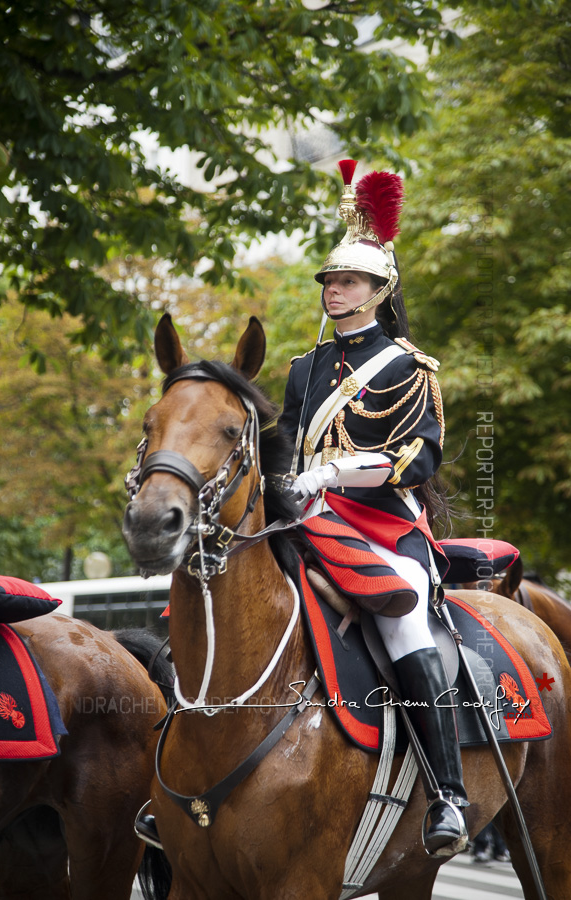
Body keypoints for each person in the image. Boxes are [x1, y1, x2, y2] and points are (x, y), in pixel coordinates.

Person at [280, 159, 468, 857]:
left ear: (378, 289)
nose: (334, 291)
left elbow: (418, 461)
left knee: (404, 621)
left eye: (348, 281)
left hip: (383, 525)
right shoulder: (304, 367)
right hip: (303, 517)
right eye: (329, 281)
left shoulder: (408, 367)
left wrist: (331, 471)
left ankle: (447, 791)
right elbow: (282, 443)